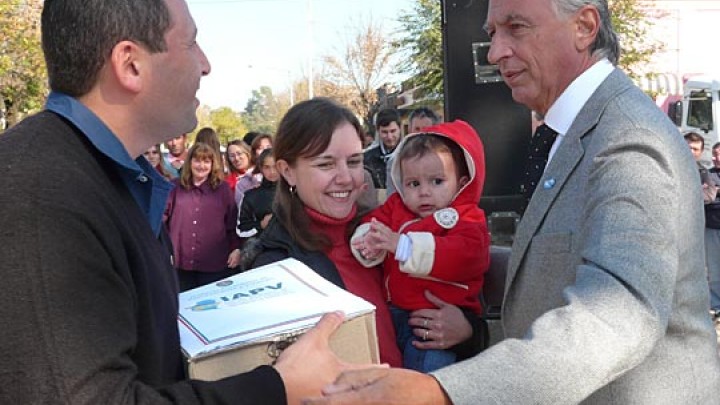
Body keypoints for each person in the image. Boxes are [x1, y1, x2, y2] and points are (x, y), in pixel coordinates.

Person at [308, 0, 720, 403]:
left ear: (585, 26)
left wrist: (437, 390)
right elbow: (562, 257)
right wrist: (463, 266)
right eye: (492, 33)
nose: (495, 51)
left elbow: (618, 316)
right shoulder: (581, 131)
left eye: (516, 27)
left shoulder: (627, 141)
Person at [0, 0, 349, 403]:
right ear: (130, 64)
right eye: (191, 43)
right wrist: (276, 387)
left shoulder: (108, 176)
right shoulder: (40, 194)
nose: (206, 64)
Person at [242, 97, 487, 370]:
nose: (345, 177)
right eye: (326, 164)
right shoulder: (276, 266)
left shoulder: (380, 230)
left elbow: (464, 287)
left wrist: (468, 331)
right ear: (288, 172)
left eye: (355, 161)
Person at [350, 120, 490, 372]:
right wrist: (368, 241)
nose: (424, 192)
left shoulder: (466, 216)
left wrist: (403, 246)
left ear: (461, 183)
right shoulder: (396, 207)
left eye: (436, 181)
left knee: (427, 380)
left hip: (436, 322)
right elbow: (373, 223)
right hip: (394, 316)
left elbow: (466, 256)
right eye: (413, 184)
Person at [165, 142, 242, 291]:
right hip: (180, 263)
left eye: (207, 161)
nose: (201, 166)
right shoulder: (174, 188)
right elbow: (162, 221)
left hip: (214, 263)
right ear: (190, 162)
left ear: (213, 164)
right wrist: (165, 249)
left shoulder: (223, 189)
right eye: (197, 160)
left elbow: (232, 223)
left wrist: (236, 248)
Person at [386, 107, 442, 196]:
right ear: (409, 130)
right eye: (417, 129)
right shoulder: (395, 161)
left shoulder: (445, 158)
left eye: (426, 129)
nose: (421, 134)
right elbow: (392, 197)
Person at [238, 148, 279, 241]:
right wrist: (260, 225)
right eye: (267, 167)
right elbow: (241, 230)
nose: (272, 172)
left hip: (295, 251)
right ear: (261, 168)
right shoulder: (251, 196)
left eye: (275, 166)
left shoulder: (294, 192)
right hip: (265, 249)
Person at [364, 108, 401, 189]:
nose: (389, 137)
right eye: (384, 132)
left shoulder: (410, 155)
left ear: (400, 129)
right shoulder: (367, 159)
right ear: (378, 131)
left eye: (393, 131)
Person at [705, 142, 720, 320]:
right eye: (714, 154)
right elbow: (706, 198)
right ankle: (716, 305)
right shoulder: (707, 174)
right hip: (712, 227)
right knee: (714, 269)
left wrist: (715, 191)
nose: (716, 158)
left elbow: (711, 194)